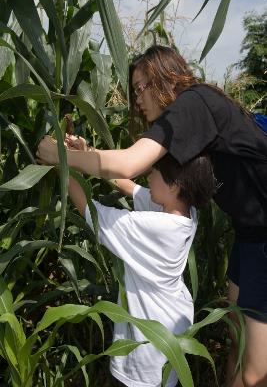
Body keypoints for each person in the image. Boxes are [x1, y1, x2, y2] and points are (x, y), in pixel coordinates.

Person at [37, 45, 267, 387]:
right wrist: (85, 153)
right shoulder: (190, 128)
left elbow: (130, 163)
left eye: (144, 86)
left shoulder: (195, 103)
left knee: (254, 373)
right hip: (248, 234)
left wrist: (58, 154)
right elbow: (132, 180)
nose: (139, 98)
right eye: (135, 90)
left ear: (168, 77)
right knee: (236, 338)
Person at [66, 151, 215, 387]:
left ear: (175, 185)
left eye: (153, 171)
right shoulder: (185, 211)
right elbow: (129, 186)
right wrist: (84, 155)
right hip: (171, 325)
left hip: (146, 341)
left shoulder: (157, 227)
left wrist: (63, 162)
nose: (148, 176)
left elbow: (91, 211)